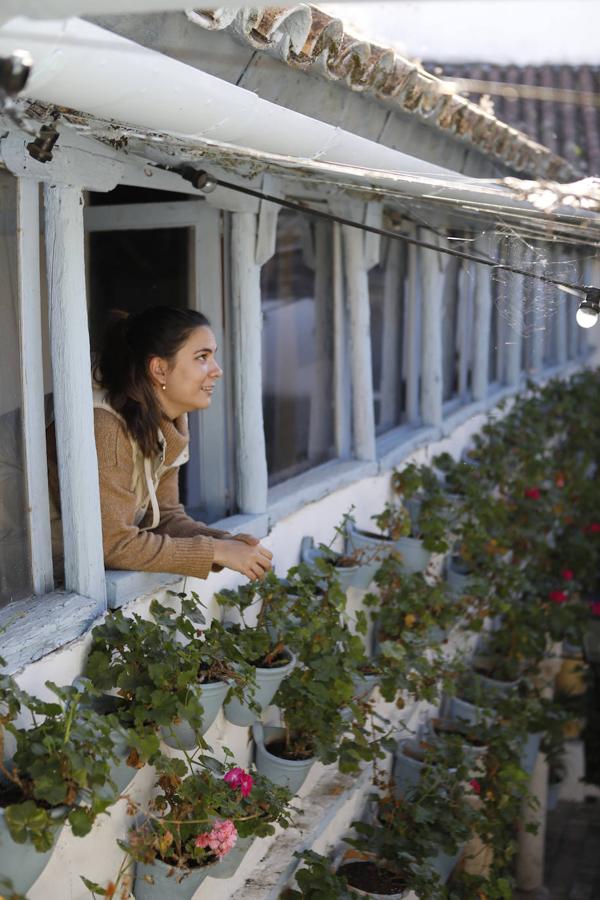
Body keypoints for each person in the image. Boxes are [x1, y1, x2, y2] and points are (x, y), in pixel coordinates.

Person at [47, 306, 273, 583]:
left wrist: (224, 541)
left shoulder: (163, 421)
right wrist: (216, 550)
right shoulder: (102, 425)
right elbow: (113, 545)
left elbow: (162, 516)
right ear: (160, 369)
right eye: (202, 357)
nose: (218, 371)